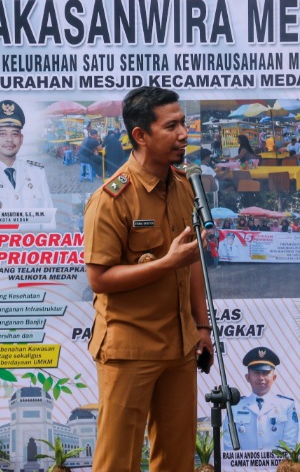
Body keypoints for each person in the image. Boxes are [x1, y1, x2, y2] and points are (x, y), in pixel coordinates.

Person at [83, 86, 213, 472]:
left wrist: (201, 325)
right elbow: (99, 278)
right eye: (171, 126)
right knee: (117, 461)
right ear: (140, 135)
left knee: (176, 459)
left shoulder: (185, 186)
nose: (184, 134)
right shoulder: (111, 198)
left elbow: (190, 264)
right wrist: (165, 262)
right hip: (129, 348)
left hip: (179, 345)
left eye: (183, 123)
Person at [222, 347, 298, 450]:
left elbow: (289, 445)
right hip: (243, 465)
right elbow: (229, 446)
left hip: (277, 465)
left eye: (266, 373)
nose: (261, 377)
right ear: (248, 377)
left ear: (274, 377)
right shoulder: (235, 407)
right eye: (256, 373)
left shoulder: (286, 406)